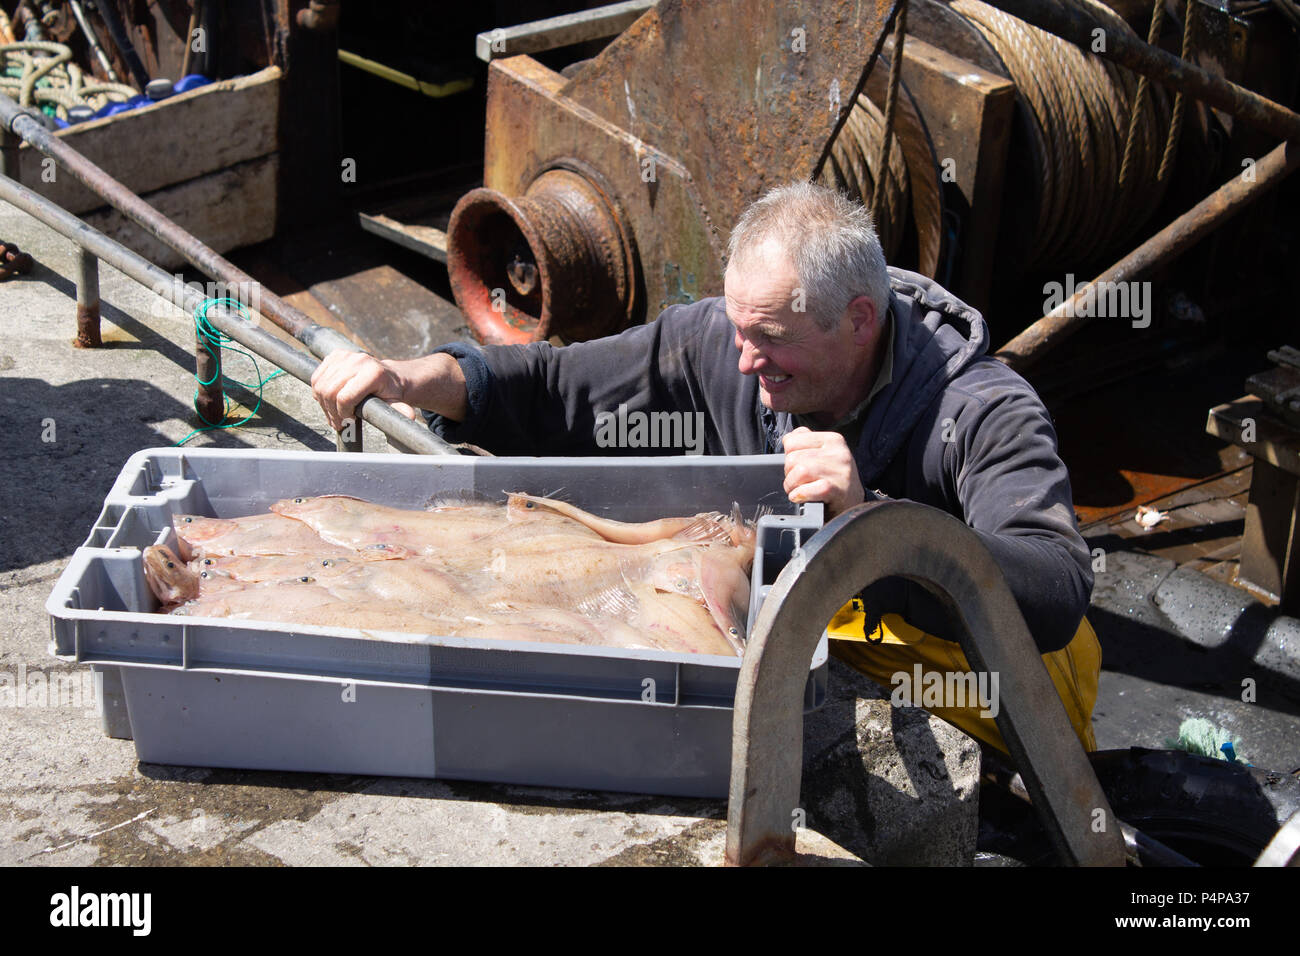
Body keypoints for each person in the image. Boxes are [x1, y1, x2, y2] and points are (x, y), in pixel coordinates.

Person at [312, 181, 1100, 753]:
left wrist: (872, 519)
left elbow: (1056, 589)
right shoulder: (723, 346)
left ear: (860, 321)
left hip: (966, 680)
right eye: (735, 326)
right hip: (798, 636)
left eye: (773, 339)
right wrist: (413, 378)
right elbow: (556, 388)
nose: (744, 359)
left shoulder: (983, 412)